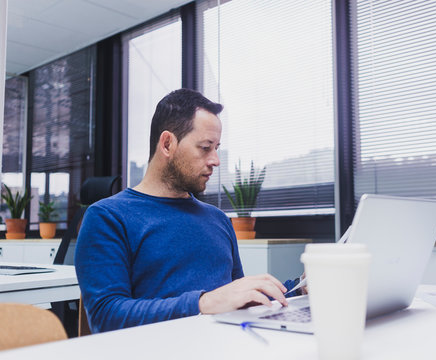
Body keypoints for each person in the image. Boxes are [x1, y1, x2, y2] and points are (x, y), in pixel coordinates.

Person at [75, 89, 302, 333]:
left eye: (216, 147)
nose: (215, 159)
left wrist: (301, 287)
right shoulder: (108, 217)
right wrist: (204, 303)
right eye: (205, 147)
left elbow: (237, 298)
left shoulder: (217, 219)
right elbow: (106, 316)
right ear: (167, 144)